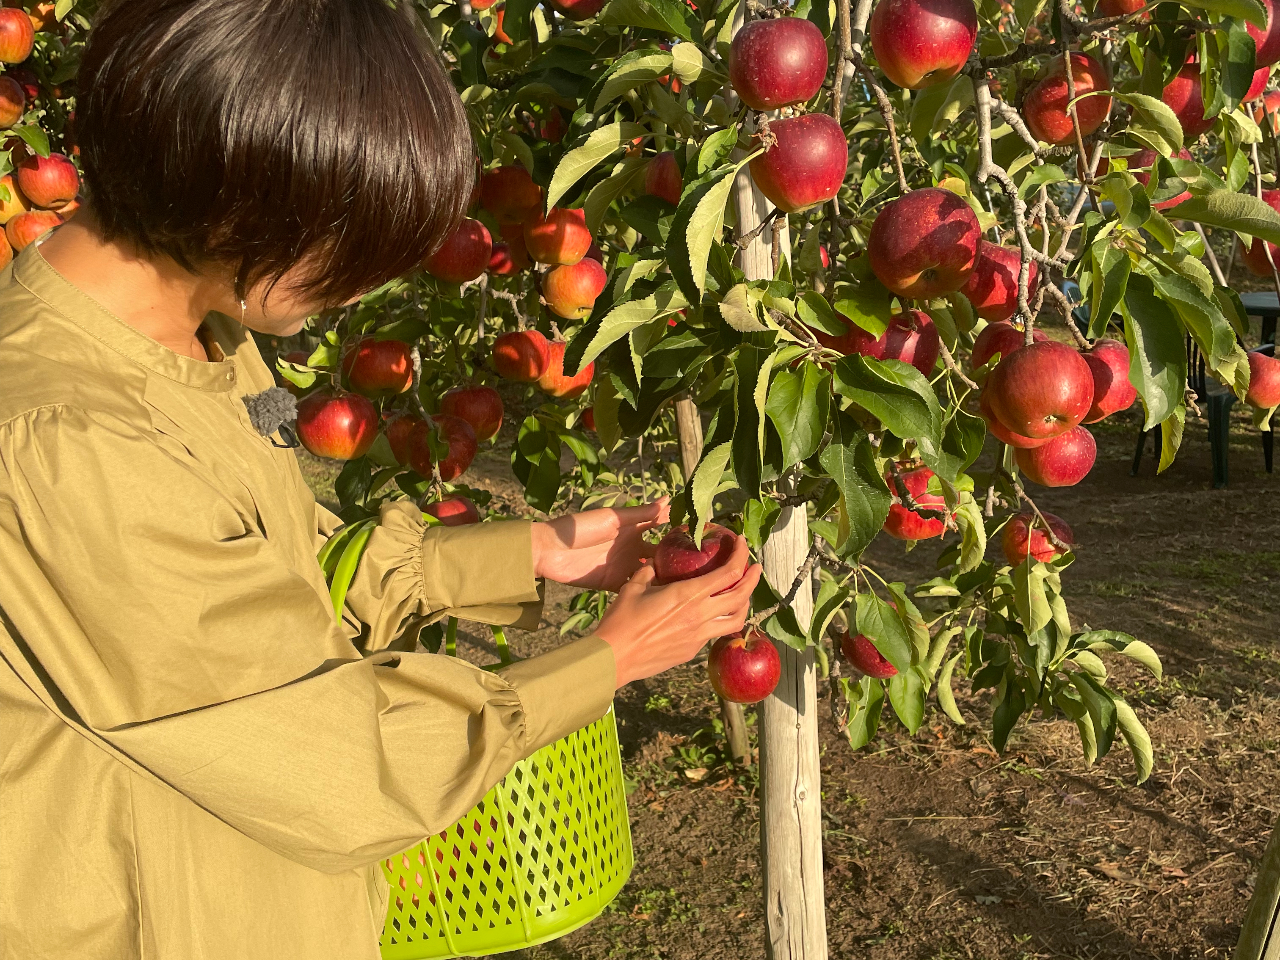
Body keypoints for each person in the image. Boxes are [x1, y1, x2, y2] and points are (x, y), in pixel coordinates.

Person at [0, 1, 762, 957]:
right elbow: (341, 764)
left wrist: (528, 554)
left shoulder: (206, 337)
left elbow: (274, 586)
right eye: (351, 241)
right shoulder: (68, 442)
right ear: (241, 195)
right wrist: (609, 660)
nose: (365, 283)